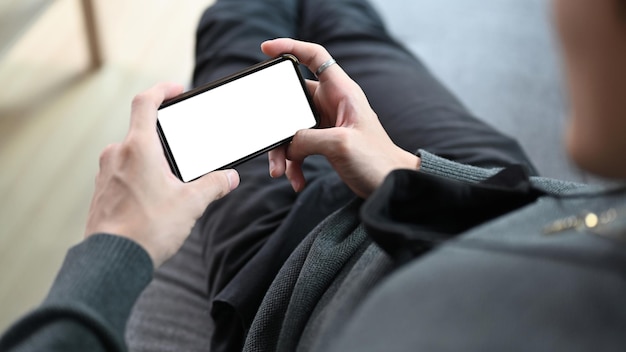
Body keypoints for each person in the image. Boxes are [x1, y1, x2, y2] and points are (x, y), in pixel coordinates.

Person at [0, 1, 624, 352]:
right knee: (343, 27)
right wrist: (407, 173)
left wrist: (116, 243)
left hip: (291, 266)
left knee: (236, 27)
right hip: (473, 189)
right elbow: (571, 216)